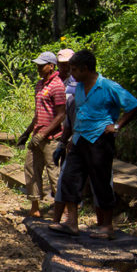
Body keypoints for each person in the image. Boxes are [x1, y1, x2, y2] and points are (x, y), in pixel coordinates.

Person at [49, 50, 137, 239]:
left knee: (101, 182)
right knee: (69, 179)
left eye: (74, 69)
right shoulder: (80, 87)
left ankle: (107, 227)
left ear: (85, 69)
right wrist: (67, 141)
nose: (71, 73)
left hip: (100, 140)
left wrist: (117, 125)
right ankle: (71, 223)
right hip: (79, 139)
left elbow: (134, 105)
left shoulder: (108, 86)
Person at [16, 52, 66, 217]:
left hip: (51, 138)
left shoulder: (57, 86)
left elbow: (61, 115)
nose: (38, 68)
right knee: (31, 169)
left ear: (51, 66)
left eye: (41, 65)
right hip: (37, 135)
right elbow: (38, 114)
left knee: (53, 172)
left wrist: (43, 133)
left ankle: (61, 208)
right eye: (37, 65)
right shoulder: (39, 85)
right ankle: (35, 206)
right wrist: (27, 133)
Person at [51, 48, 78, 226]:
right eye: (61, 64)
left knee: (70, 176)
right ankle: (64, 217)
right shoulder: (55, 81)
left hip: (76, 134)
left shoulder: (77, 83)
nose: (64, 67)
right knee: (63, 174)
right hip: (61, 132)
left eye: (67, 64)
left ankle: (70, 215)